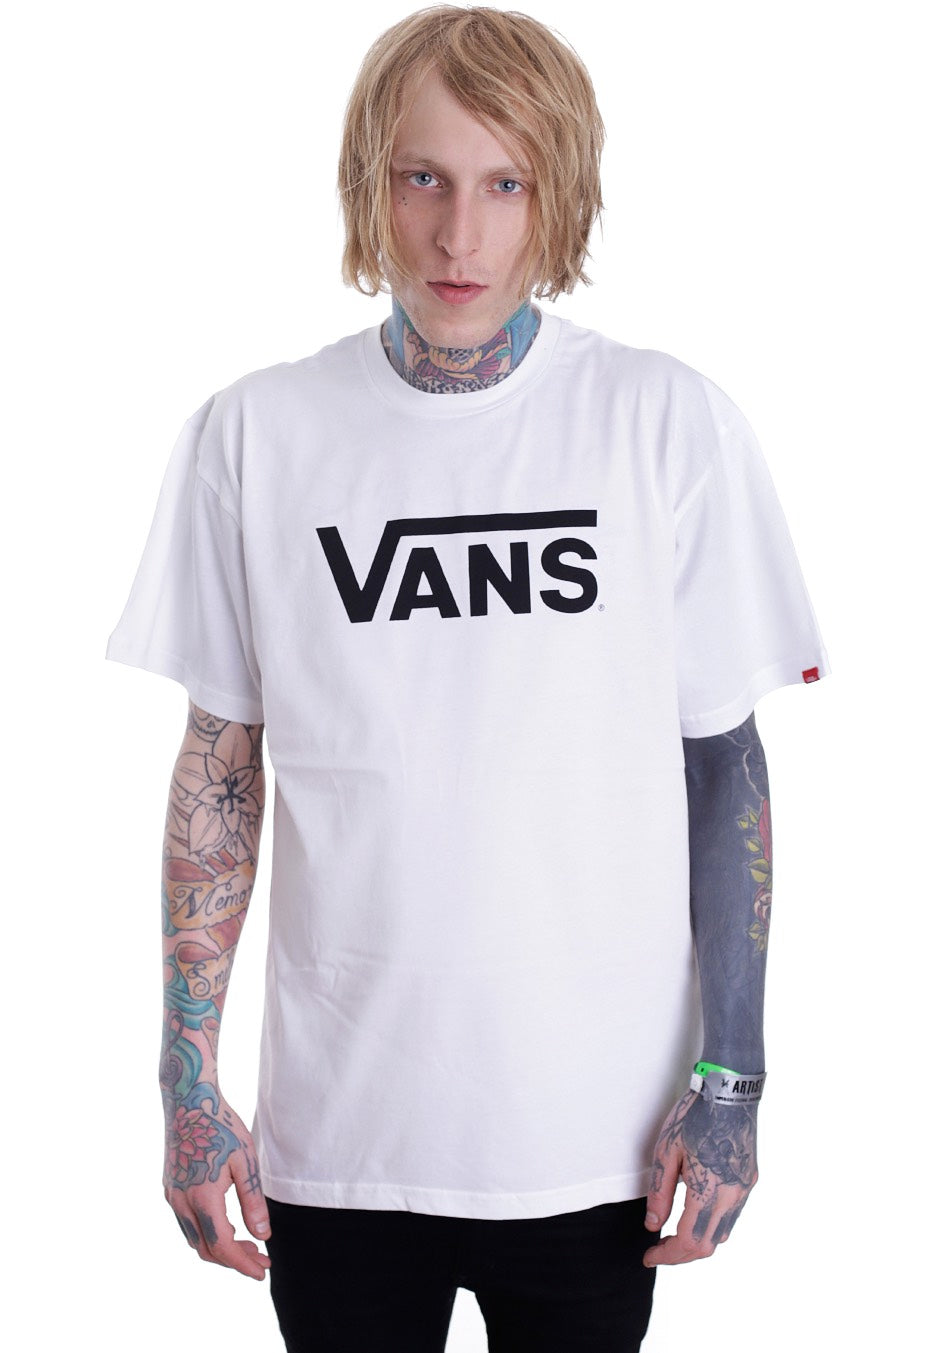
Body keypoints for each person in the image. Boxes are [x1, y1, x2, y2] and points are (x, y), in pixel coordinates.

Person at [106, 6, 830, 1350]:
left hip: (596, 1140)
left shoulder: (665, 423)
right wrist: (183, 1082)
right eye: (423, 178)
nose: (460, 236)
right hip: (340, 1143)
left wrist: (734, 1077)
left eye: (509, 185)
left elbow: (722, 763)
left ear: (565, 194)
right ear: (366, 182)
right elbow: (220, 769)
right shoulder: (255, 434)